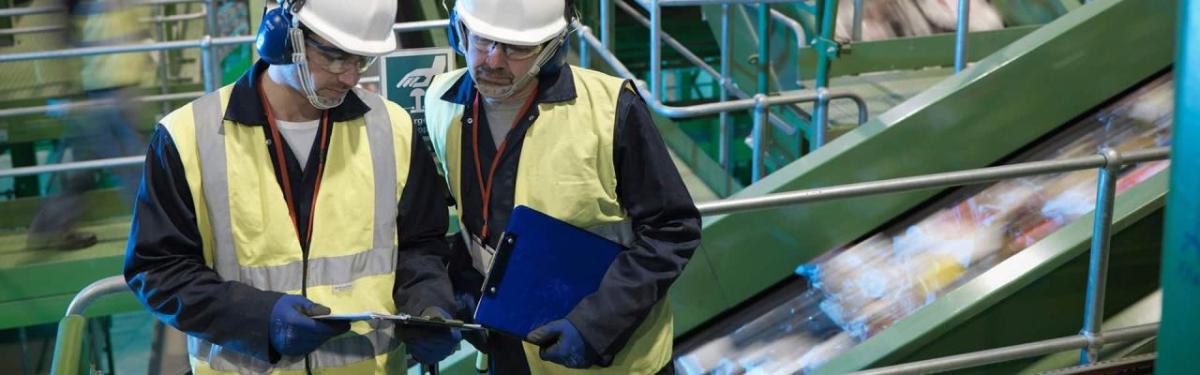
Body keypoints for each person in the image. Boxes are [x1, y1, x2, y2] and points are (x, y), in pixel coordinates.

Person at [123, 0, 461, 373]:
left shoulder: (392, 128)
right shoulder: (187, 137)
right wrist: (258, 317)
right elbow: (159, 269)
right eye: (335, 57)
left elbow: (419, 246)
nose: (350, 77)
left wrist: (429, 304)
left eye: (360, 60)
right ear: (282, 34)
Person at [425, 0, 702, 373]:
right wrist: (456, 295)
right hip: (505, 349)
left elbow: (673, 229)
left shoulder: (610, 110)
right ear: (458, 30)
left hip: (611, 358)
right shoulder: (442, 102)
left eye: (518, 48)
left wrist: (594, 326)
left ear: (553, 46)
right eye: (482, 39)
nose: (493, 60)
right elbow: (473, 225)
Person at [27, 0, 150, 250]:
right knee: (133, 165)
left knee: (88, 166)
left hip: (112, 85)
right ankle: (155, 235)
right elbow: (60, 36)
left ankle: (49, 227)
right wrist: (62, 89)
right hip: (107, 89)